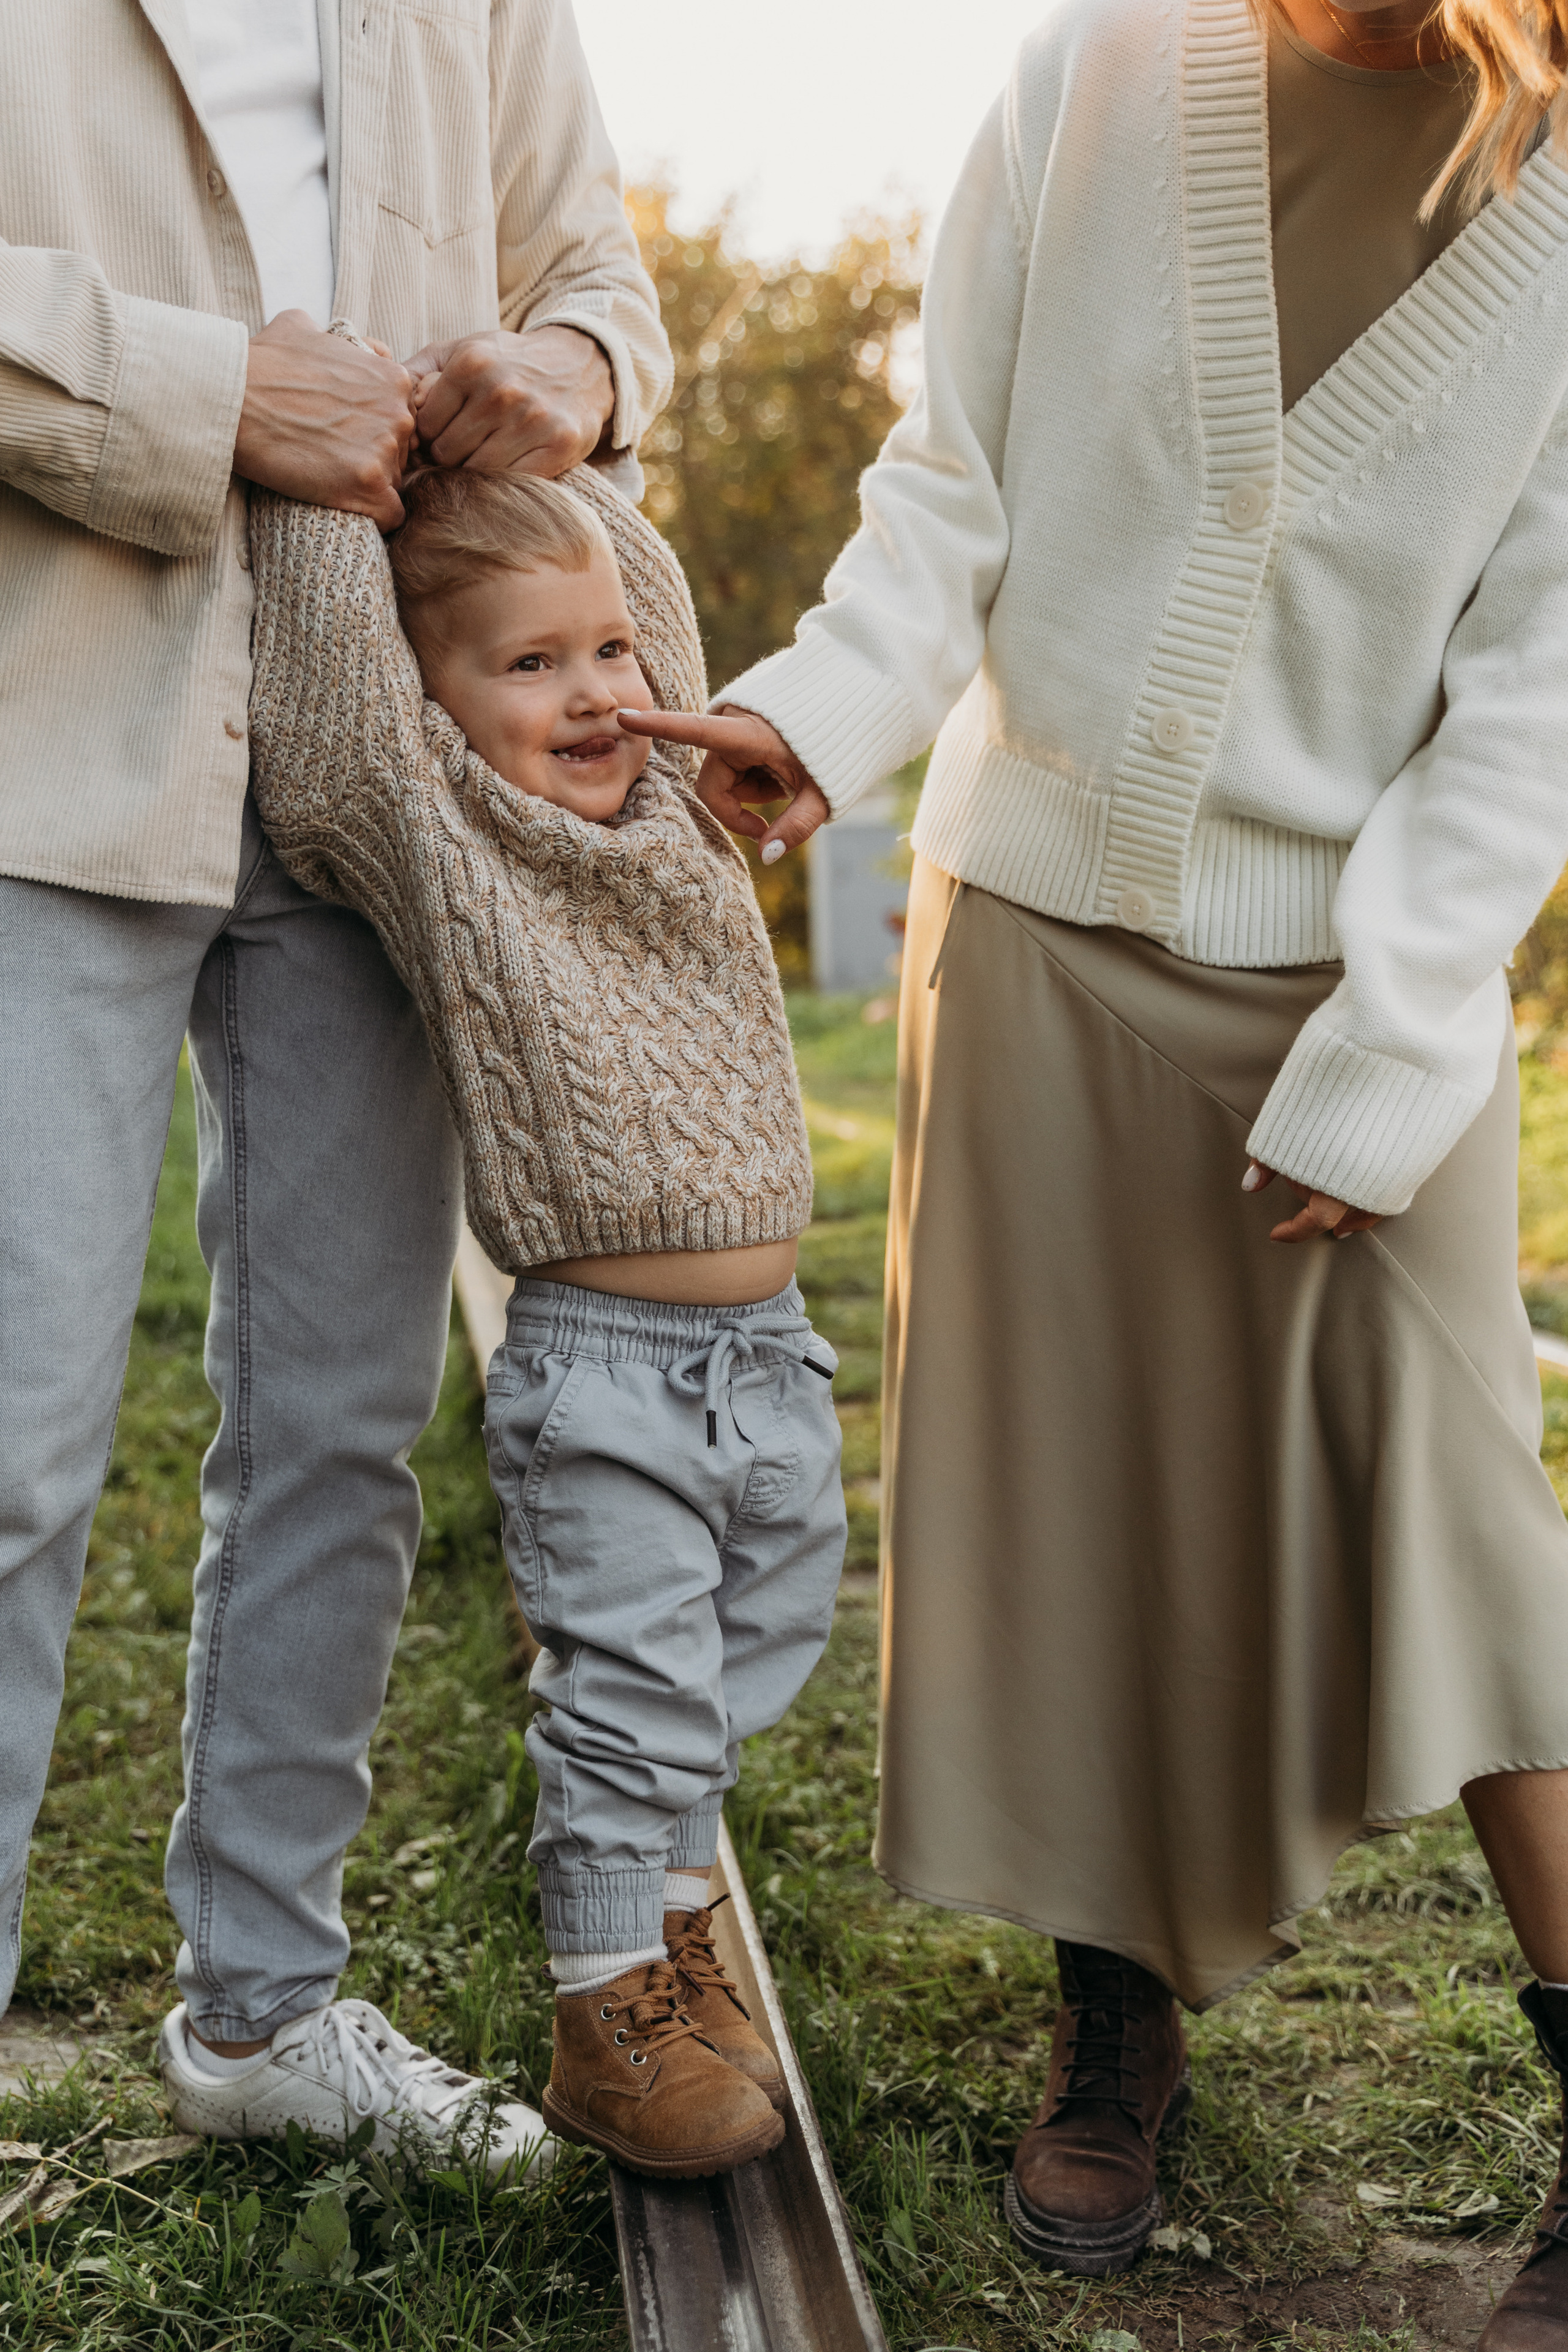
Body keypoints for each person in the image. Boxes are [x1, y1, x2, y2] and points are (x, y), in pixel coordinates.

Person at [622, 0, 1568, 2331]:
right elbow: (949, 487)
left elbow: (1541, 685)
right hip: (1036, 926)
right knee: (1087, 1520)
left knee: (1468, 1538)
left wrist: (1403, 1032)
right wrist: (808, 717)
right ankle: (1116, 2027)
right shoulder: (1095, 67)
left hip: (1359, 974)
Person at [0, 0, 669, 2172]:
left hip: (387, 745)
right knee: (9, 1445)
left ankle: (265, 2008)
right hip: (42, 719)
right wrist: (211, 392)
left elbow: (594, 274)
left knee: (344, 1426)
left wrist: (568, 376)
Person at [233, 452, 846, 2177]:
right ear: (435, 700)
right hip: (609, 1372)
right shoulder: (427, 821)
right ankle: (607, 2015)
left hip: (770, 1361)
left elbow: (635, 587)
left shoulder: (684, 800)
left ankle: (671, 1951)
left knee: (744, 1664)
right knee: (633, 1684)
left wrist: (544, 443)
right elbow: (347, 688)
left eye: (608, 656)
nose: (595, 691)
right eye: (530, 665)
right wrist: (356, 465)